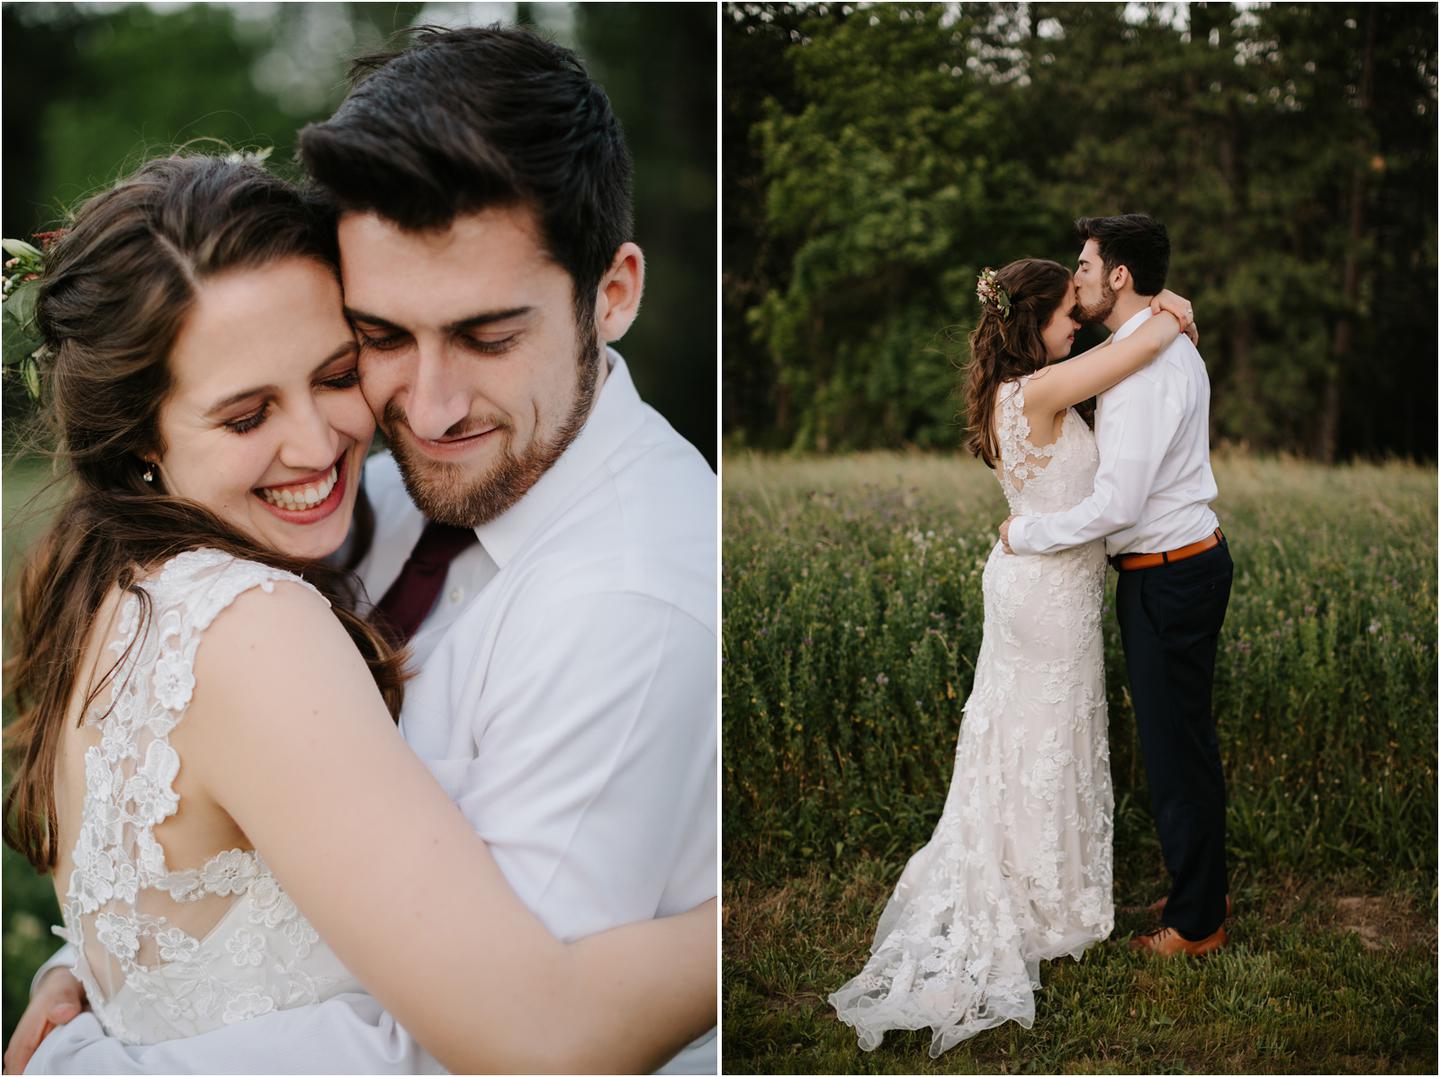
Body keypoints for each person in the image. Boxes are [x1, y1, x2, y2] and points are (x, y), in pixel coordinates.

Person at [7, 24, 717, 1076]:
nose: (421, 410)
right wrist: (110, 980)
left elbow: (514, 1045)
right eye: (378, 341)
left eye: (486, 336)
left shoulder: (628, 603)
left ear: (610, 294)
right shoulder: (345, 510)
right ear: (141, 438)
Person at [829, 256, 1196, 1057]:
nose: (1079, 323)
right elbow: (1133, 349)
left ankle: (1042, 889)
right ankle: (1041, 901)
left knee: (1029, 737)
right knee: (1045, 737)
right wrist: (1173, 306)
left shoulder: (1014, 394)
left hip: (1038, 585)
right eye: (1069, 312)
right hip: (1046, 593)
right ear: (1031, 324)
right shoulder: (1038, 390)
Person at [1002, 215, 1233, 959]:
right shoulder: (1154, 347)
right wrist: (1175, 308)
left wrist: (1022, 535)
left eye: (1086, 264)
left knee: (1174, 751)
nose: (1079, 277)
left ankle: (1196, 924)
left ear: (1120, 276)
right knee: (1187, 740)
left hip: (1167, 574)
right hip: (1184, 562)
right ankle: (1203, 887)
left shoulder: (1140, 372)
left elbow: (1117, 507)